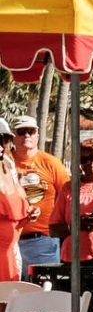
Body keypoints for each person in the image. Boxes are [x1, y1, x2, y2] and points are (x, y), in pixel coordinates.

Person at [12, 116, 69, 277]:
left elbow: (67, 197)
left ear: (37, 135)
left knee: (44, 293)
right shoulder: (5, 162)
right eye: (21, 132)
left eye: (31, 131)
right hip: (9, 241)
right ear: (13, 136)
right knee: (11, 293)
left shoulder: (51, 163)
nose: (27, 136)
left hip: (43, 241)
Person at [49, 142, 93, 264]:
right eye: (83, 159)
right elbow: (53, 229)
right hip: (73, 258)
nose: (89, 163)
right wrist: (75, 226)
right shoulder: (69, 188)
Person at [0, 120, 30, 281]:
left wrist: (30, 212)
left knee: (9, 299)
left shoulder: (9, 166)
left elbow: (22, 206)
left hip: (11, 251)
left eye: (4, 139)